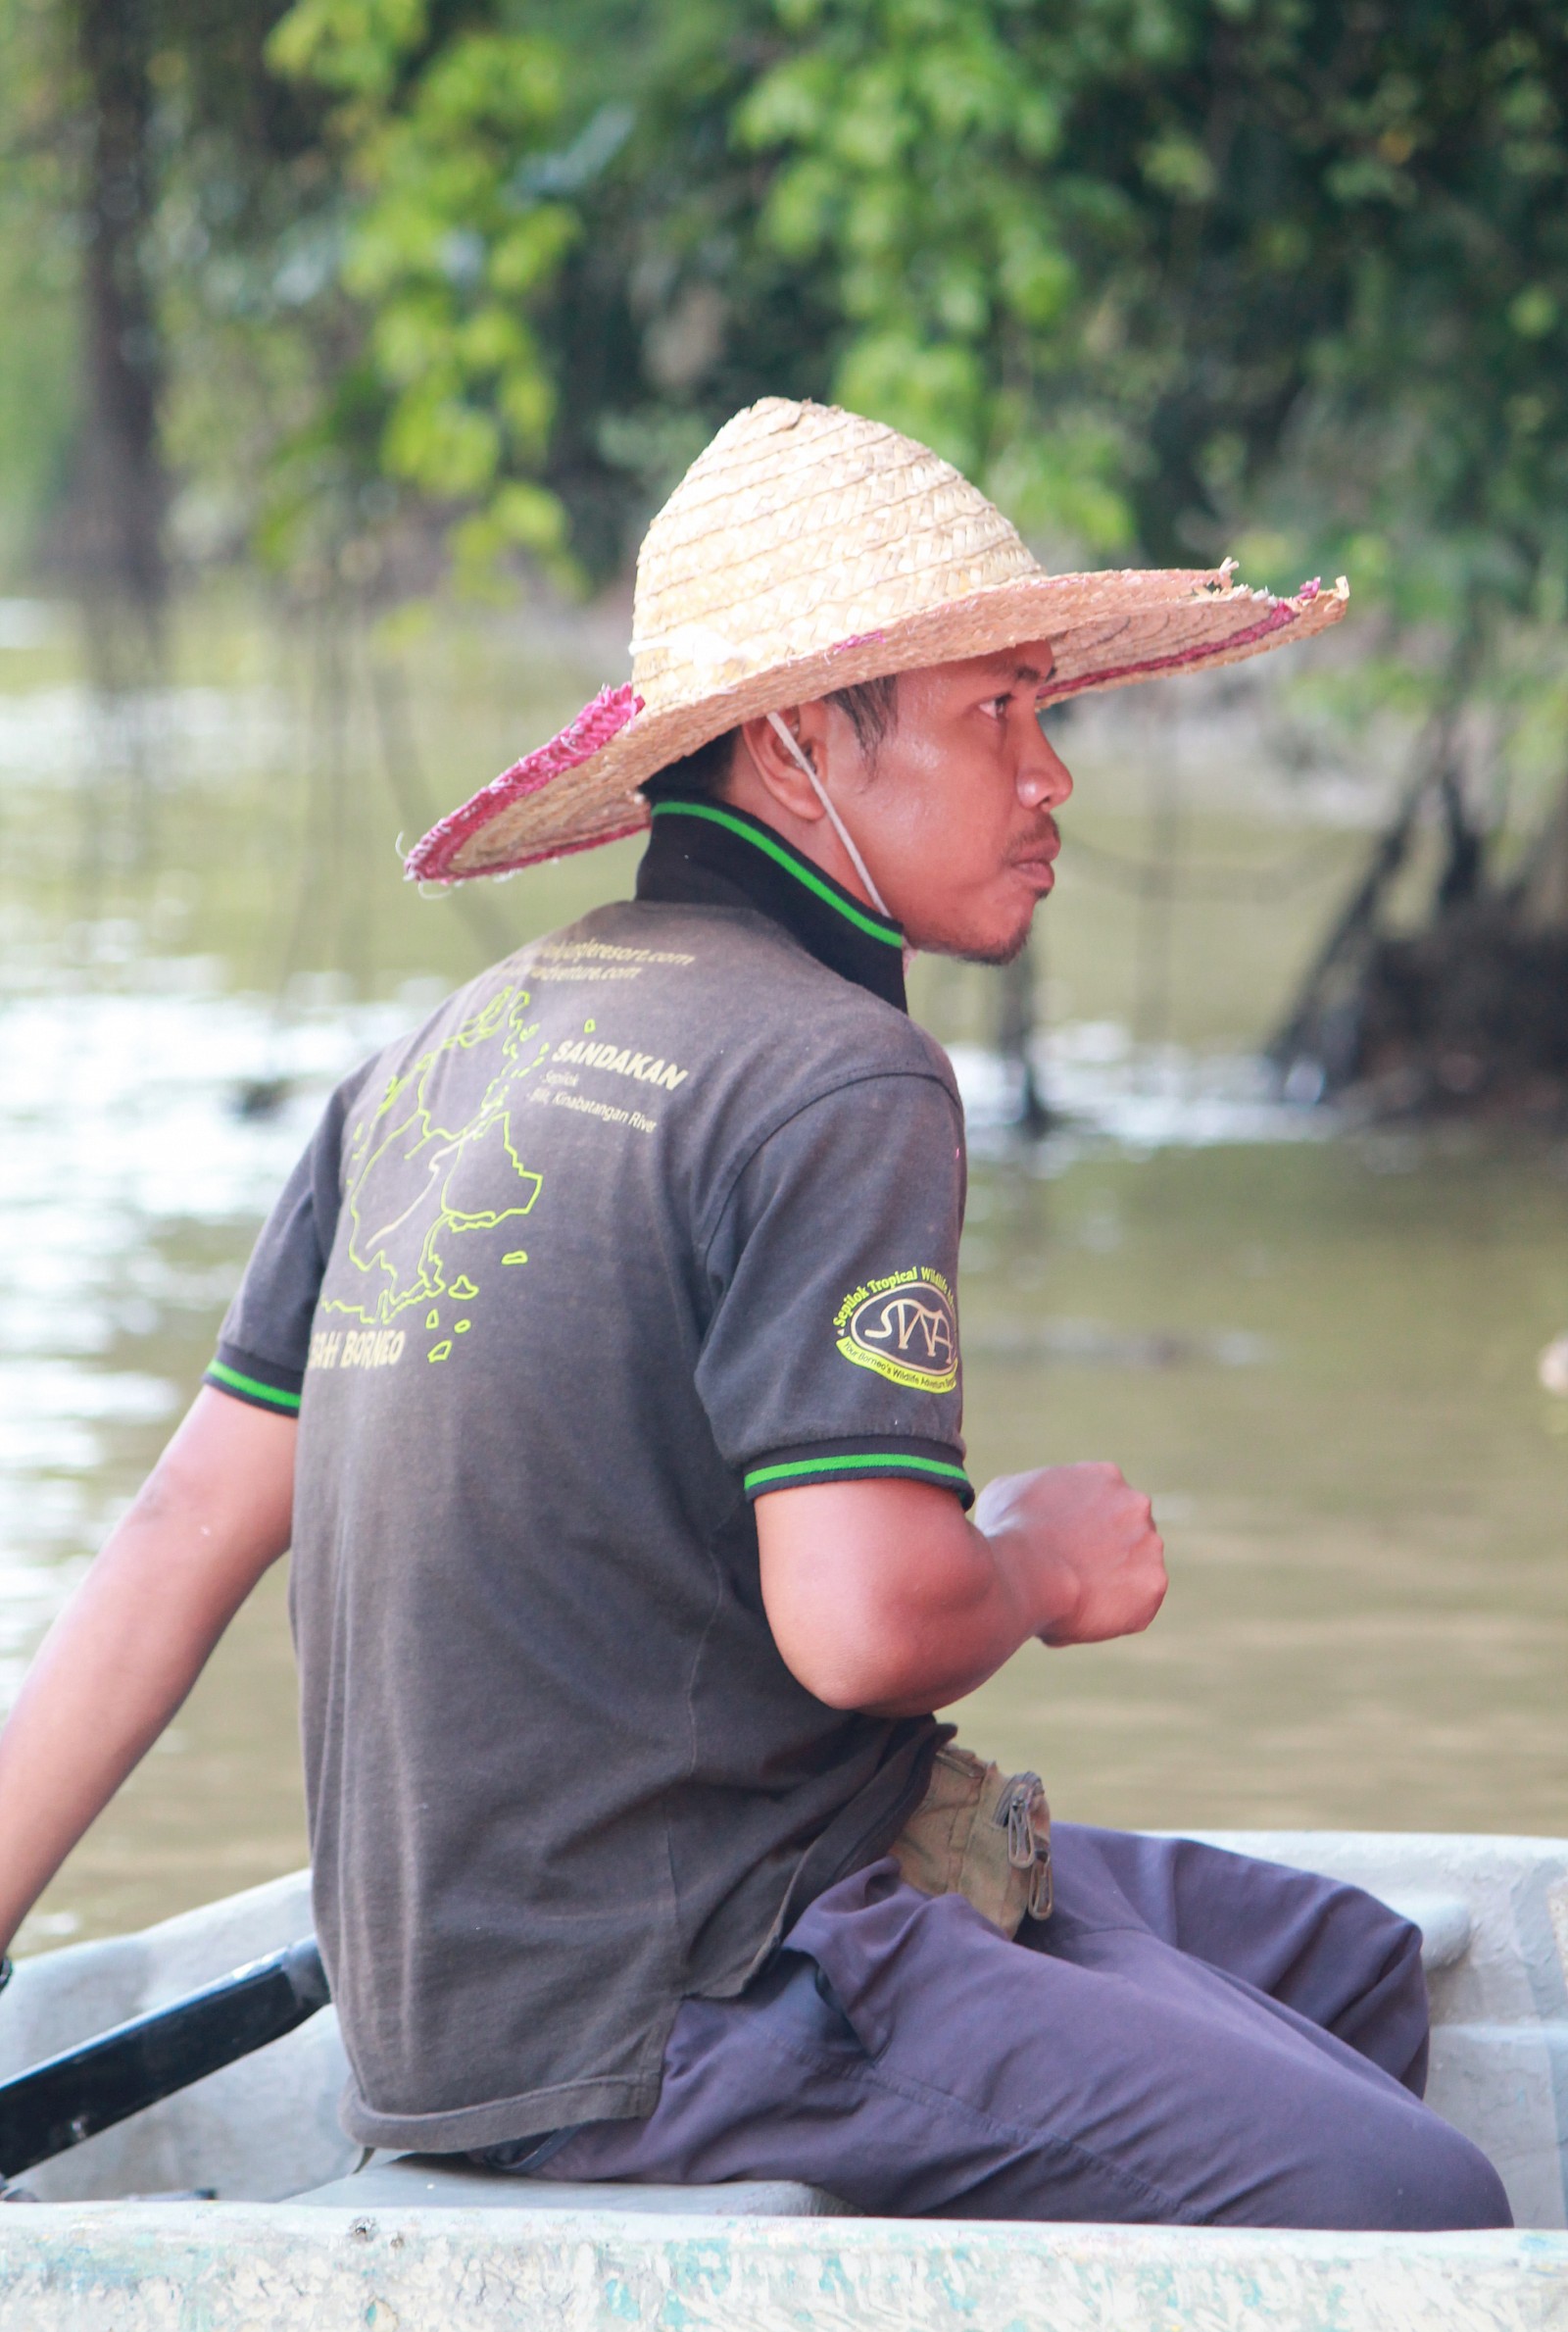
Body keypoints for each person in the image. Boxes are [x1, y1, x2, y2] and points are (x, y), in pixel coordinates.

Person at [0, 400, 1509, 2228]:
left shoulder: (439, 1055)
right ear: (800, 749)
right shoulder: (838, 1074)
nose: (1054, 780)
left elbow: (175, 1533)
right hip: (695, 2010)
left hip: (458, 2015)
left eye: (1048, 708)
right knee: (1410, 2200)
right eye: (993, 715)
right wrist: (1033, 1556)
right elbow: (869, 1625)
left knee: (1344, 1969)